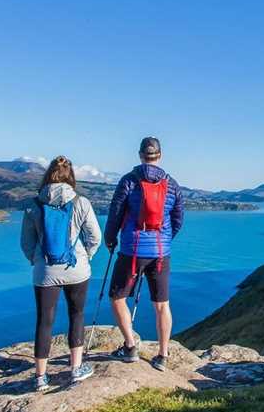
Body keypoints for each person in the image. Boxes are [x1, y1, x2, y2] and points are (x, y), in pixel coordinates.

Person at [20, 155, 102, 391]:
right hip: (76, 270)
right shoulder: (81, 202)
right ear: (71, 177)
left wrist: (37, 261)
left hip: (45, 271)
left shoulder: (33, 204)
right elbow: (94, 237)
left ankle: (40, 377)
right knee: (77, 315)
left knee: (44, 321)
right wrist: (86, 256)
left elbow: (26, 242)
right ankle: (76, 369)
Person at [104, 136, 184, 371]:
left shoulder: (128, 181)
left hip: (132, 250)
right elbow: (178, 219)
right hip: (161, 253)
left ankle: (130, 347)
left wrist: (110, 239)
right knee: (162, 304)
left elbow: (115, 213)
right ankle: (163, 355)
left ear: (140, 155)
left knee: (118, 298)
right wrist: (165, 239)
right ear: (159, 155)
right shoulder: (172, 184)